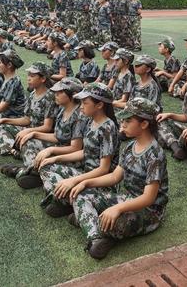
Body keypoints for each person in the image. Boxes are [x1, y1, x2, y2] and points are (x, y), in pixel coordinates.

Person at [69, 98, 168, 260]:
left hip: (149, 211)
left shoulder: (155, 154)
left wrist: (118, 208)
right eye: (123, 120)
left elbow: (149, 198)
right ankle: (96, 236)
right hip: (127, 198)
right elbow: (115, 176)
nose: (123, 125)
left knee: (117, 223)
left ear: (144, 124)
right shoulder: (130, 147)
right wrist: (85, 182)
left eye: (128, 121)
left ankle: (89, 222)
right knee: (81, 195)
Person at [38, 82, 120, 218]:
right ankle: (65, 199)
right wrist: (56, 158)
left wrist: (75, 181)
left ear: (99, 105)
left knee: (74, 188)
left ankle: (66, 200)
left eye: (85, 103)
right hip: (86, 172)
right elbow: (85, 152)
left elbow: (103, 169)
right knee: (47, 166)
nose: (81, 106)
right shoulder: (90, 121)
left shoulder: (107, 128)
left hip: (100, 182)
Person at [15, 77, 87, 189]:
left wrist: (50, 150)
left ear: (73, 94)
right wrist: (34, 134)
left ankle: (32, 172)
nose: (56, 95)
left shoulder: (79, 115)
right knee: (29, 141)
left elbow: (75, 148)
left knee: (48, 161)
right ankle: (34, 171)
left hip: (73, 156)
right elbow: (57, 136)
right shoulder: (62, 109)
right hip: (61, 147)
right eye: (56, 92)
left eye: (60, 92)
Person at [0, 62, 58, 161]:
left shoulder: (50, 97)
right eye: (28, 75)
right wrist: (5, 120)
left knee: (28, 141)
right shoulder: (32, 95)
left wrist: (29, 131)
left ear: (43, 79)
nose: (28, 78)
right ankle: (12, 150)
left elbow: (47, 127)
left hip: (41, 134)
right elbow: (27, 119)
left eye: (32, 76)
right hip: (30, 129)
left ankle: (20, 149)